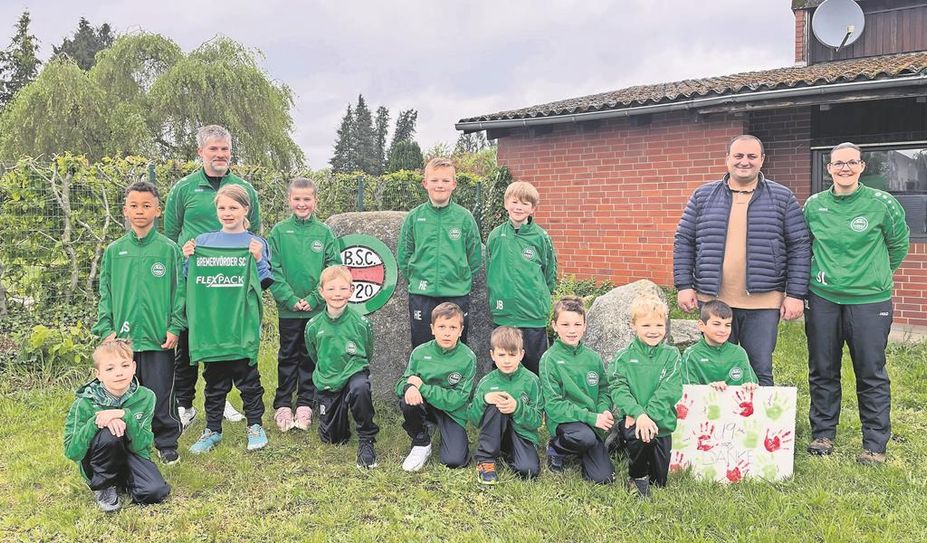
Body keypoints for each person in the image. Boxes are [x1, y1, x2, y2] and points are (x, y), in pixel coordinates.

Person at [673, 134, 811, 386]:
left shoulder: (782, 197)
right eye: (738, 156)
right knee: (713, 371)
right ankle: (716, 425)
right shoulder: (702, 196)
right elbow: (684, 240)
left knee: (758, 369)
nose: (744, 162)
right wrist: (684, 285)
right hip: (713, 299)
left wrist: (796, 294)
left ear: (762, 160)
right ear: (727, 159)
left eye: (751, 156)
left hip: (763, 303)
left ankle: (761, 425)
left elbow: (800, 245)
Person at [803, 142, 910, 464]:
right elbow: (804, 245)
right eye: (838, 163)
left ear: (862, 167)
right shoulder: (813, 205)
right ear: (829, 168)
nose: (844, 168)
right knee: (822, 369)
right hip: (822, 298)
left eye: (851, 162)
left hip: (869, 300)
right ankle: (823, 434)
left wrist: (873, 275)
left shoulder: (882, 203)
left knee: (870, 372)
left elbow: (899, 244)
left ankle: (875, 444)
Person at [163, 124, 261, 427]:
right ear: (200, 152)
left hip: (229, 285)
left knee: (225, 342)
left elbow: (253, 232)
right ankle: (185, 404)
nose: (220, 155)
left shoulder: (245, 190)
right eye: (213, 149)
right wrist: (187, 257)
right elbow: (170, 233)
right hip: (195, 282)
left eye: (225, 149)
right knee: (190, 343)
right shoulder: (183, 189)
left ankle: (224, 400)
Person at [92, 181, 185, 464]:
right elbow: (105, 292)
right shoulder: (114, 251)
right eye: (134, 206)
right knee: (126, 392)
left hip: (159, 337)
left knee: (160, 392)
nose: (140, 211)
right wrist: (106, 328)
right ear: (125, 211)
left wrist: (175, 326)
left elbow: (180, 291)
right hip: (123, 341)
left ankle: (166, 441)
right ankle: (130, 440)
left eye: (147, 206)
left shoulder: (169, 250)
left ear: (158, 211)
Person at [182, 185, 272, 454]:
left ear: (246, 209)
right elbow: (190, 278)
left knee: (249, 381)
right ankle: (212, 430)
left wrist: (257, 259)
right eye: (222, 208)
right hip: (212, 326)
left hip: (242, 324)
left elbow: (265, 282)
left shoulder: (255, 243)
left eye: (233, 208)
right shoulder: (204, 242)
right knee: (214, 383)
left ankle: (255, 426)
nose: (227, 213)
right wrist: (188, 257)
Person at [268, 177, 342, 432]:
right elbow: (272, 269)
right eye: (297, 199)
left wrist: (313, 298)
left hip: (316, 310)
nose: (302, 203)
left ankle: (306, 404)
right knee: (287, 355)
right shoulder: (278, 232)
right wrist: (290, 299)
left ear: (315, 201)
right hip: (288, 309)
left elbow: (333, 269)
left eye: (307, 199)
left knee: (311, 356)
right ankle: (283, 404)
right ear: (289, 200)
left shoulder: (324, 233)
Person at [64, 339, 170, 512]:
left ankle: (124, 479)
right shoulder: (84, 403)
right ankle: (104, 485)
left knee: (154, 492)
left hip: (130, 453)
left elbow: (142, 445)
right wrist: (96, 423)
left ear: (134, 367)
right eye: (110, 368)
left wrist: (125, 416)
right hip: (99, 460)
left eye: (125, 365)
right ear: (98, 374)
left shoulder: (146, 397)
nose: (119, 373)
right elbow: (72, 451)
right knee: (110, 433)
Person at [397, 157, 482, 348]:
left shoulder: (464, 218)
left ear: (454, 184)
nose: (440, 185)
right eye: (434, 181)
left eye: (445, 181)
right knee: (422, 346)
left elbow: (475, 257)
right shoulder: (414, 217)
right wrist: (418, 278)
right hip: (422, 294)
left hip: (455, 293)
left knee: (456, 347)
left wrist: (459, 277)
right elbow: (404, 255)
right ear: (425, 183)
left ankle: (456, 379)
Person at [305, 265, 380, 468]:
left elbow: (367, 352)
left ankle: (366, 439)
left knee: (360, 386)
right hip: (329, 379)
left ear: (351, 290)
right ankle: (339, 418)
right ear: (321, 292)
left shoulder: (361, 323)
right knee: (333, 439)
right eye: (331, 289)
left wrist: (353, 374)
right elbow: (315, 354)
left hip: (353, 372)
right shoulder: (313, 326)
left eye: (342, 288)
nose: (337, 294)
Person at [609, 295, 683, 497]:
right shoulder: (624, 357)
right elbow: (618, 387)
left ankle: (622, 438)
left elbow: (671, 389)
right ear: (634, 326)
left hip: (660, 422)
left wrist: (647, 415)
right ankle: (636, 476)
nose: (653, 331)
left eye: (659, 325)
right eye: (646, 325)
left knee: (659, 481)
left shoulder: (672, 355)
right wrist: (638, 414)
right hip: (635, 420)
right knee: (641, 440)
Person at [540, 296, 614, 484]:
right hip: (564, 421)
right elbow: (554, 406)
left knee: (602, 478)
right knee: (584, 437)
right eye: (565, 324)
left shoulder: (593, 358)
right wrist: (591, 417)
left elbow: (604, 389)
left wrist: (603, 409)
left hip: (591, 422)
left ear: (585, 326)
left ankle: (582, 448)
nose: (572, 330)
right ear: (554, 326)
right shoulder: (550, 359)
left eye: (577, 324)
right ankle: (556, 448)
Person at [485, 181, 557, 374]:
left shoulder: (541, 237)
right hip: (504, 312)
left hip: (532, 313)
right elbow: (488, 268)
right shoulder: (495, 236)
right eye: (515, 201)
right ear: (506, 203)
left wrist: (539, 296)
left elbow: (549, 273)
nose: (519, 207)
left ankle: (535, 402)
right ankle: (501, 402)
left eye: (525, 203)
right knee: (504, 364)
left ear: (532, 209)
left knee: (535, 365)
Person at [396, 302, 476, 472]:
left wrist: (423, 388)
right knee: (408, 400)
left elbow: (458, 399)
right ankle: (421, 441)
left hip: (452, 411)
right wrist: (409, 387)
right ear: (432, 329)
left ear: (461, 330)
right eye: (441, 326)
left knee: (454, 461)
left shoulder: (468, 358)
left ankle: (445, 430)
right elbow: (401, 383)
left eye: (453, 327)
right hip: (425, 405)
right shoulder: (419, 352)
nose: (447, 332)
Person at [469, 326, 542, 484]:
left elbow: (536, 420)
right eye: (501, 354)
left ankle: (513, 453)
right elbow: (474, 420)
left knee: (528, 471)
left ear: (521, 355)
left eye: (512, 354)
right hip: (494, 432)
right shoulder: (486, 383)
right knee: (496, 402)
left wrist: (517, 407)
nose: (507, 360)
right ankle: (486, 459)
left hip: (522, 433)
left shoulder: (532, 381)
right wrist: (484, 399)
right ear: (492, 355)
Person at [681, 300, 758, 391]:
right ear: (701, 325)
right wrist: (710, 390)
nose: (723, 330)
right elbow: (689, 391)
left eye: (727, 325)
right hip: (704, 404)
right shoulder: (691, 354)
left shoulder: (739, 353)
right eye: (716, 324)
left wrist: (750, 386)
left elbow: (752, 383)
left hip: (736, 404)